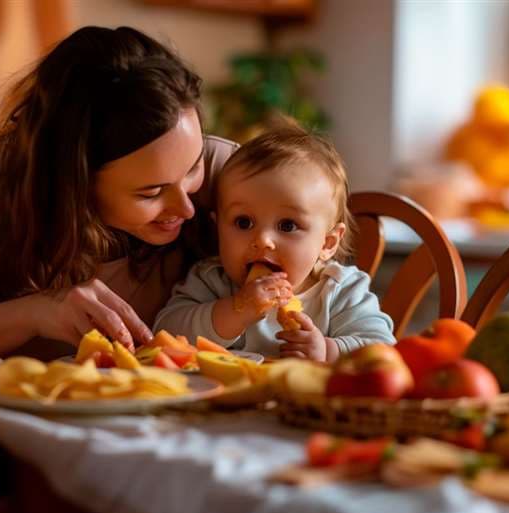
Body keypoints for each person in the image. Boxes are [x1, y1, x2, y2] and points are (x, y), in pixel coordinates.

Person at [0, 26, 237, 359]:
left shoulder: (229, 173)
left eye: (192, 168)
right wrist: (33, 313)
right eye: (151, 192)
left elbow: (291, 274)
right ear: (76, 182)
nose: (187, 207)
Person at [153, 122, 396, 362]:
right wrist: (236, 310)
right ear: (218, 228)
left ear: (327, 243)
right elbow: (165, 333)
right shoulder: (212, 282)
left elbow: (383, 349)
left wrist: (327, 350)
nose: (263, 240)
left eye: (287, 226)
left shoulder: (340, 291)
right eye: (243, 222)